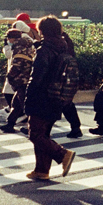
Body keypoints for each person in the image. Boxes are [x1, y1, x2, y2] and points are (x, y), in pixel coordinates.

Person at [20, 16, 77, 181]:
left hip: (41, 96)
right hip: (57, 96)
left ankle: (63, 154)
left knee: (35, 134)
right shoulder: (65, 47)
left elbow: (36, 77)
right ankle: (42, 170)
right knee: (43, 133)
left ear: (42, 31)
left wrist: (28, 97)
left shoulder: (45, 49)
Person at [0, 25, 35, 134]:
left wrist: (10, 76)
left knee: (25, 105)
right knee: (16, 104)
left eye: (8, 38)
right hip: (25, 78)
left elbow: (17, 64)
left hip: (22, 80)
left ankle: (32, 127)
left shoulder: (19, 47)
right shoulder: (27, 45)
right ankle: (10, 124)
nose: (8, 40)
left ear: (13, 38)